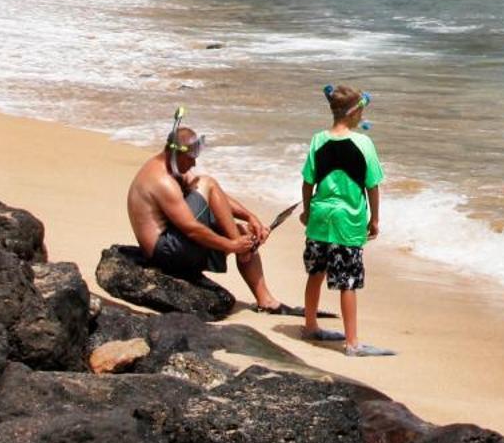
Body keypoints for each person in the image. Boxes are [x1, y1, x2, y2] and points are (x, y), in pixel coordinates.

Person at [125, 115, 299, 315]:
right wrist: (231, 245)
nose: (193, 164)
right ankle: (242, 249)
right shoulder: (161, 180)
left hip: (174, 244)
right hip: (164, 252)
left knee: (241, 230)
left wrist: (249, 217)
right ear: (177, 154)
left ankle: (266, 301)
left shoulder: (173, 166)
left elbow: (215, 198)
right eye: (191, 159)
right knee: (209, 185)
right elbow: (191, 228)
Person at [300, 85, 391, 356]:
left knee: (315, 273)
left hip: (319, 217)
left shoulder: (318, 140)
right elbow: (372, 185)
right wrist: (375, 219)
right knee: (347, 282)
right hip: (348, 221)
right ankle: (352, 343)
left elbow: (307, 182)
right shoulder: (363, 143)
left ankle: (310, 325)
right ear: (355, 114)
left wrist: (306, 211)